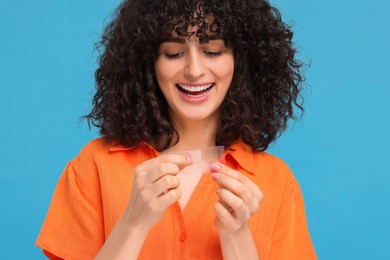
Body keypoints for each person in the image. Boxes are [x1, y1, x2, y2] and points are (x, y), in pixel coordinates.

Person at [36, 0, 316, 259]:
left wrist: (237, 236)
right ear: (148, 64)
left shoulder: (277, 181)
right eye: (173, 53)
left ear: (241, 62)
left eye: (213, 51)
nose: (194, 70)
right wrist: (133, 223)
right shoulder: (94, 166)